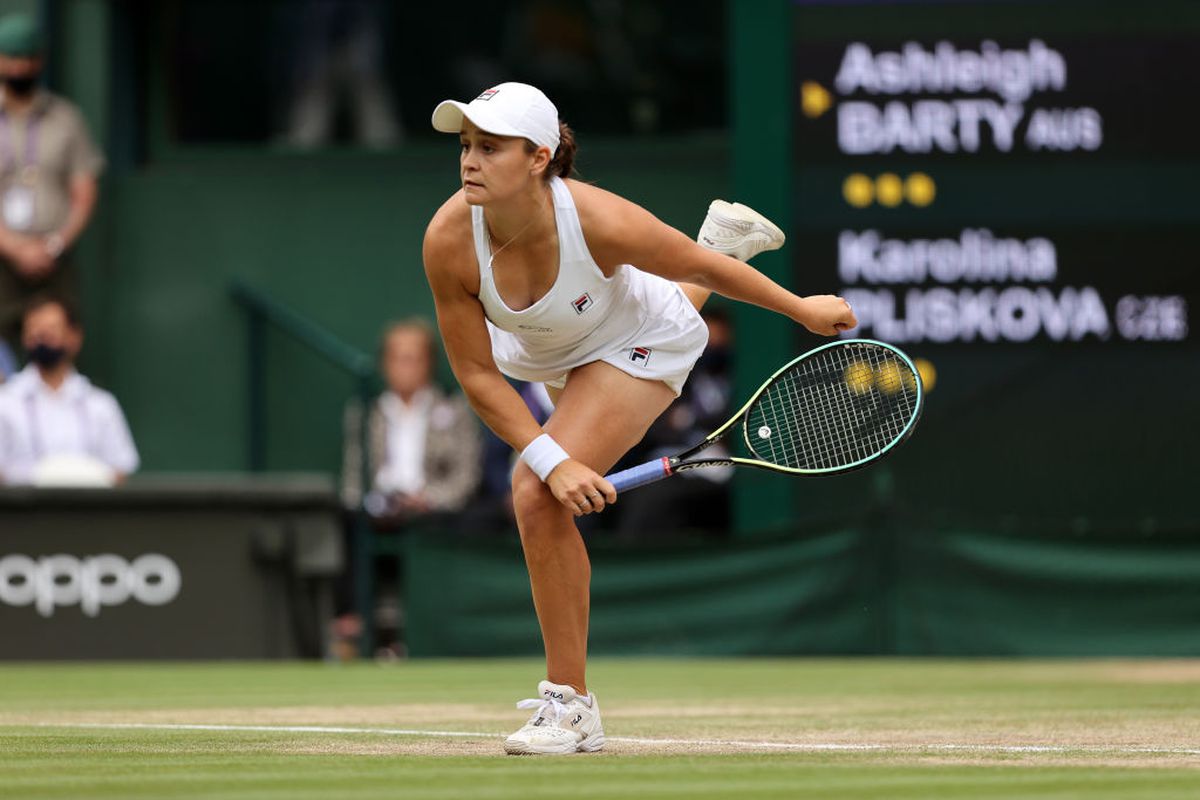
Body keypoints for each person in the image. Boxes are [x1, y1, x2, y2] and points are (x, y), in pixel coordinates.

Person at [422, 82, 855, 755]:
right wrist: (555, 459)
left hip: (635, 339)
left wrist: (802, 309)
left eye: (491, 147)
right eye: (466, 145)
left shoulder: (599, 219)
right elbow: (476, 374)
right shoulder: (448, 239)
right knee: (546, 472)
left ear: (538, 158)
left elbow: (693, 265)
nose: (470, 161)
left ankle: (571, 708)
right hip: (547, 349)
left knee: (533, 494)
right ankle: (728, 238)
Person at [337, 318, 481, 657]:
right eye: (398, 358)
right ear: (385, 364)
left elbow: (465, 476)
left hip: (432, 509)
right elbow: (354, 475)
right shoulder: (365, 413)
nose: (405, 367)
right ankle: (352, 621)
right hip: (379, 507)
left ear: (428, 363)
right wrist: (372, 500)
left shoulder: (453, 409)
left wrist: (429, 499)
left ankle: (429, 628)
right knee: (345, 519)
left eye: (413, 358)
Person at [0, 14, 104, 353]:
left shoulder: (65, 119)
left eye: (27, 58)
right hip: (2, 259)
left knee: (55, 350)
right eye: (12, 58)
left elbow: (84, 191)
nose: (20, 68)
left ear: (40, 60)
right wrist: (15, 248)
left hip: (54, 261)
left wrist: (54, 245)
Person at [0, 295, 138, 486]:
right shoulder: (5, 401)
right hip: (23, 505)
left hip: (88, 504)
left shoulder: (100, 404)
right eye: (34, 329)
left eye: (51, 330)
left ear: (74, 337)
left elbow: (121, 468)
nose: (42, 337)